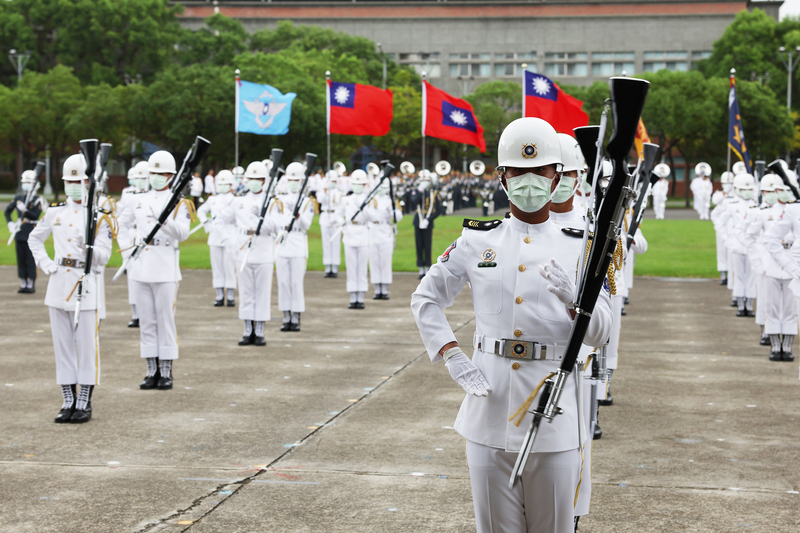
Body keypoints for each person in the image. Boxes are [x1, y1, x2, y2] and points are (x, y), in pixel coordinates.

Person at [411, 117, 612, 533]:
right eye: (518, 171)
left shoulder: (582, 246)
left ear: (557, 176)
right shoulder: (476, 241)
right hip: (489, 408)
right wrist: (451, 355)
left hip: (555, 412)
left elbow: (602, 331)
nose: (530, 180)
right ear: (502, 178)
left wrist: (579, 304)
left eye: (540, 170)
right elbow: (425, 299)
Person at [28, 154, 114, 423]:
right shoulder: (55, 211)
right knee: (62, 345)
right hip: (58, 283)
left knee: (87, 346)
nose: (74, 185)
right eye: (69, 181)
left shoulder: (100, 215)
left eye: (79, 180)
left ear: (90, 182)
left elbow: (105, 255)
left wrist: (87, 247)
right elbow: (35, 239)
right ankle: (68, 399)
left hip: (85, 283)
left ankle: (84, 400)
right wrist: (46, 265)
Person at [118, 150, 191, 390]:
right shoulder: (136, 199)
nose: (157, 177)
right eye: (154, 173)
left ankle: (167, 370)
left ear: (170, 176)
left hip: (165, 266)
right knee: (147, 321)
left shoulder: (178, 201)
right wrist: (128, 251)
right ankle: (151, 369)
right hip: (141, 264)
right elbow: (122, 225)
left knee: (165, 319)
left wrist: (165, 221)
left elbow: (183, 233)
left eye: (162, 173)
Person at [216, 161, 279, 346]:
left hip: (264, 248)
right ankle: (247, 330)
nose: (254, 182)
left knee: (262, 291)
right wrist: (228, 240)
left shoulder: (271, 201)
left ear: (264, 180)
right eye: (250, 179)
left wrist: (263, 217)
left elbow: (277, 226)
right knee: (245, 292)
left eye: (257, 179)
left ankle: (259, 330)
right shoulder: (239, 201)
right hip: (243, 249)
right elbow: (219, 220)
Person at [745, 175, 796, 360]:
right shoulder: (764, 213)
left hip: (793, 268)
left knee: (791, 310)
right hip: (771, 266)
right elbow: (750, 237)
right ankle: (775, 346)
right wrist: (758, 263)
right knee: (771, 308)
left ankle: (788, 347)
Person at [275, 162, 314, 331]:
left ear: (301, 181)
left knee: (296, 282)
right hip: (282, 240)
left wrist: (298, 215)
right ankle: (285, 316)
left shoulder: (307, 202)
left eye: (296, 180)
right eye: (290, 179)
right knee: (283, 282)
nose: (293, 183)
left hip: (298, 241)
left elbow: (306, 225)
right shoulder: (279, 200)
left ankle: (296, 316)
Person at [718, 173, 758, 316]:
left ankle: (750, 305)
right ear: (737, 189)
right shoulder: (732, 204)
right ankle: (741, 306)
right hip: (736, 245)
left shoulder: (757, 204)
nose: (747, 191)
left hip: (752, 247)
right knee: (739, 277)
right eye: (743, 189)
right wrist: (725, 239)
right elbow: (720, 222)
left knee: (751, 278)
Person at [197, 169, 237, 307]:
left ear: (231, 184)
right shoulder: (212, 199)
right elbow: (201, 210)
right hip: (215, 235)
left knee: (229, 266)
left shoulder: (235, 200)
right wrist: (205, 222)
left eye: (225, 183)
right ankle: (219, 295)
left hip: (230, 234)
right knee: (217, 266)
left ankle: (230, 295)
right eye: (220, 183)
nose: (222, 186)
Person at [117, 161, 150, 327]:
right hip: (132, 236)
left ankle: (148, 313)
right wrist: (125, 250)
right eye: (137, 178)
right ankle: (136, 313)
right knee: (133, 278)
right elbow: (121, 216)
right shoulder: (129, 194)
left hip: (148, 240)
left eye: (142, 178)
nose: (139, 181)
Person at [5, 169, 46, 293]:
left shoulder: (38, 199)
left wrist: (26, 211)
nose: (26, 184)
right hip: (19, 232)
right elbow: (7, 211)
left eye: (28, 182)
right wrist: (10, 223)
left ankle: (31, 283)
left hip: (31, 233)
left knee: (30, 258)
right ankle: (23, 281)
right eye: (24, 182)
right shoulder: (19, 198)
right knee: (21, 258)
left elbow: (35, 215)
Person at [337, 169, 371, 309]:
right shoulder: (346, 199)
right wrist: (343, 225)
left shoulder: (369, 200)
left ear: (364, 185)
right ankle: (352, 297)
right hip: (350, 233)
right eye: (355, 183)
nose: (357, 186)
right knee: (351, 267)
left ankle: (361, 297)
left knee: (361, 267)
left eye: (360, 183)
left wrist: (364, 209)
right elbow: (338, 215)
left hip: (362, 233)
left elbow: (372, 217)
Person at [366, 178, 403, 299]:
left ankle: (385, 289)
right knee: (374, 261)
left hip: (385, 231)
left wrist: (392, 211)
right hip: (373, 231)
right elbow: (367, 214)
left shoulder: (391, 200)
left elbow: (399, 216)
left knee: (385, 261)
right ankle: (377, 289)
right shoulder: (371, 199)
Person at [407, 170, 442, 279]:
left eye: (427, 180)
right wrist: (419, 191)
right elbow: (413, 203)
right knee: (418, 245)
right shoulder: (418, 191)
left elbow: (439, 209)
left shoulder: (434, 193)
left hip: (428, 222)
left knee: (427, 245)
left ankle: (427, 267)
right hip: (418, 221)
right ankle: (420, 268)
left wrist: (429, 219)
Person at [317, 169, 345, 278]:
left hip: (335, 218)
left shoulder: (340, 192)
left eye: (334, 181)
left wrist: (335, 218)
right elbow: (320, 200)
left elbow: (340, 206)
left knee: (335, 244)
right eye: (330, 181)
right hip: (325, 216)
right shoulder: (323, 191)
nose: (332, 183)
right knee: (326, 244)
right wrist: (325, 190)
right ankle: (328, 267)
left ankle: (335, 268)